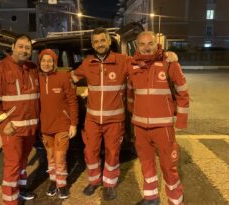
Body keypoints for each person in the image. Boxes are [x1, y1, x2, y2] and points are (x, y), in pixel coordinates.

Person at [127, 31, 189, 205]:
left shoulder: (170, 64)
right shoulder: (131, 65)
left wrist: (181, 121)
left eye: (150, 43)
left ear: (157, 43)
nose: (146, 48)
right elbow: (130, 94)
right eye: (142, 44)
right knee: (146, 164)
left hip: (163, 127)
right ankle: (151, 198)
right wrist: (134, 114)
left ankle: (175, 201)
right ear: (136, 46)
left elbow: (183, 92)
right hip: (139, 127)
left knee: (169, 166)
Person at [70, 27, 128, 201]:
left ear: (109, 42)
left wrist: (166, 55)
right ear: (92, 44)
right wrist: (44, 77)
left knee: (112, 152)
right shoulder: (87, 63)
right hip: (92, 120)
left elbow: (143, 63)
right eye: (96, 41)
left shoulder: (122, 60)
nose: (99, 44)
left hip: (115, 120)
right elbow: (70, 78)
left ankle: (109, 184)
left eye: (102, 40)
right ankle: (94, 181)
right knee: (90, 152)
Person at [0, 34, 40, 205]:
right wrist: (3, 123)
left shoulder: (32, 68)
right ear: (13, 48)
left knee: (23, 161)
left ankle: (21, 190)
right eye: (21, 46)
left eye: (27, 47)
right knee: (13, 165)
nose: (24, 50)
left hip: (30, 128)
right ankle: (10, 201)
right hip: (12, 128)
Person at [37, 49, 78, 199]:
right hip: (45, 127)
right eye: (43, 60)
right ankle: (53, 182)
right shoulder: (36, 79)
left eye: (50, 61)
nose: (46, 63)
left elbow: (73, 102)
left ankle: (62, 185)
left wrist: (73, 123)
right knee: (50, 157)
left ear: (55, 63)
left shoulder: (63, 77)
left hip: (62, 125)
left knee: (60, 157)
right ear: (39, 62)